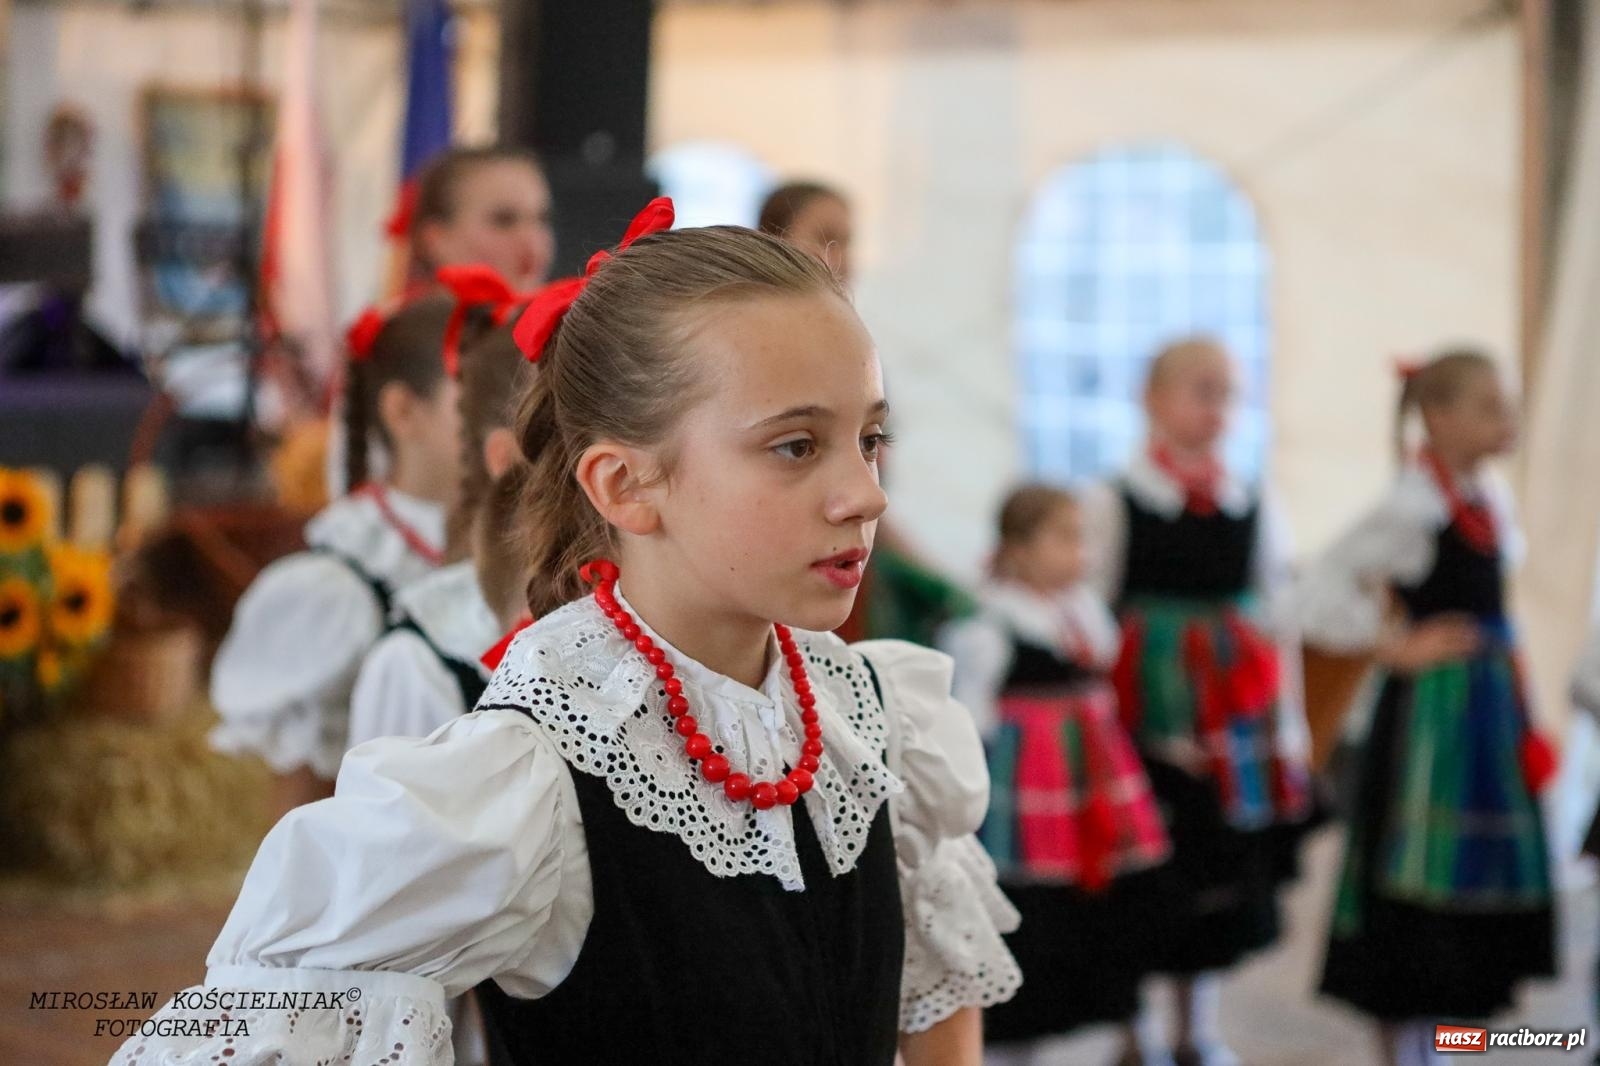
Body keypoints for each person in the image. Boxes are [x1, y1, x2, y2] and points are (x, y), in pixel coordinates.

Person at [110, 199, 1019, 1065]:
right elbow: (285, 1009)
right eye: (795, 446)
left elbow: (936, 991)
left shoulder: (871, 712)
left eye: (869, 438)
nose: (865, 494)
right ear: (624, 485)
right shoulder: (532, 776)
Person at [1302, 349, 1555, 1066]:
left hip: (1487, 709)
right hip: (1429, 723)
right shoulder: (1412, 505)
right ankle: (1401, 1051)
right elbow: (1317, 591)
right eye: (1489, 407)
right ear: (1438, 416)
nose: (1506, 421)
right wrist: (1392, 647)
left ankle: (1444, 1047)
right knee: (1409, 882)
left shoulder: (1485, 497)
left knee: (1464, 889)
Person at [1082, 336, 1314, 1066]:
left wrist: (1291, 725)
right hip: (1142, 720)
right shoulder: (1115, 500)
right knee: (1143, 870)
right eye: (1201, 390)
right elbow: (1090, 613)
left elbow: (1279, 619)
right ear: (1152, 399)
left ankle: (1197, 1027)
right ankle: (1132, 1031)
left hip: (1228, 724)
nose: (1217, 408)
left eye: (1228, 393)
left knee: (1215, 867)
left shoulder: (1251, 502)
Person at [208, 296, 469, 815]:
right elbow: (296, 811)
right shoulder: (341, 584)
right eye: (479, 399)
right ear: (403, 412)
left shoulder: (521, 549)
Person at [943, 483, 1167, 1062]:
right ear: (1017, 548)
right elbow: (968, 719)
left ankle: (1105, 1021)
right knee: (1032, 905)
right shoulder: (991, 624)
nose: (1081, 553)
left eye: (1083, 539)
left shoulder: (1079, 613)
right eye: (1065, 538)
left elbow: (1106, 665)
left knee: (1095, 895)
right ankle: (1018, 1035)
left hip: (1089, 779)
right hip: (1029, 793)